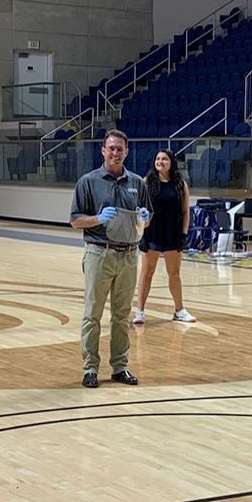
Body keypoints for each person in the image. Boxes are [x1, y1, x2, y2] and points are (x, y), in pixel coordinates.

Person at [70, 130, 151, 388]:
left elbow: (146, 219)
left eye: (120, 149)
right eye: (111, 148)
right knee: (92, 313)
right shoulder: (88, 181)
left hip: (128, 255)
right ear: (103, 151)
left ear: (127, 152)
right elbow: (74, 220)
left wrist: (145, 218)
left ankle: (120, 366)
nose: (115, 153)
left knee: (121, 315)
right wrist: (96, 219)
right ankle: (90, 368)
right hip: (98, 252)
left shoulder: (137, 183)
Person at [133, 148, 195, 325]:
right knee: (147, 272)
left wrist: (184, 234)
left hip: (172, 232)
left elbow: (185, 212)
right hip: (152, 231)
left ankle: (179, 310)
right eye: (158, 158)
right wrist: (141, 234)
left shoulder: (180, 184)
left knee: (174, 273)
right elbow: (139, 211)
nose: (160, 161)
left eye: (164, 159)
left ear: (171, 162)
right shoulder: (146, 182)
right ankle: (140, 311)